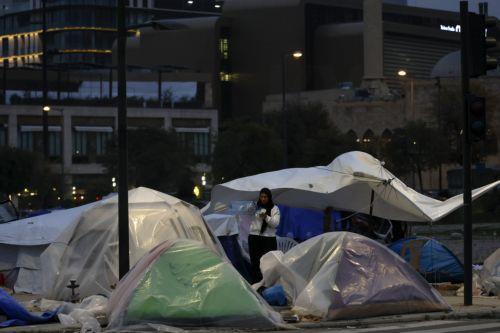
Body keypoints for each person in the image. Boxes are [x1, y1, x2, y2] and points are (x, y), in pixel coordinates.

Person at [248, 188, 280, 283]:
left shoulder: (275, 208)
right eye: (261, 197)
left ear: (269, 197)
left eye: (265, 197)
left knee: (267, 262)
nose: (263, 199)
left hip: (268, 239)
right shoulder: (255, 207)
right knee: (255, 262)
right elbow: (247, 215)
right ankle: (255, 284)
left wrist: (266, 217)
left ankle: (266, 283)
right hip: (254, 237)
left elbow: (275, 223)